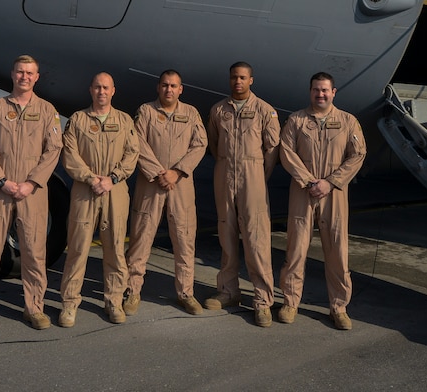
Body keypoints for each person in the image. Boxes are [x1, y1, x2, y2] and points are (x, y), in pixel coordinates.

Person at [0, 55, 63, 334]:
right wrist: (1, 180)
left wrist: (32, 183)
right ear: (12, 75)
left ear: (37, 77)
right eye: (20, 72)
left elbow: (53, 149)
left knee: (34, 253)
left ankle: (35, 308)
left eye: (30, 73)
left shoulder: (47, 111)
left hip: (32, 193)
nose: (24, 77)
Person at [278, 72, 366, 330]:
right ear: (310, 92)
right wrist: (308, 181)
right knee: (296, 249)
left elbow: (358, 154)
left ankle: (339, 307)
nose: (321, 94)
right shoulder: (296, 120)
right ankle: (290, 302)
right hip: (303, 192)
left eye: (325, 90)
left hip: (334, 193)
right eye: (316, 90)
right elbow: (286, 152)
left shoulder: (348, 121)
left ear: (334, 92)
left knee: (337, 251)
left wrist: (330, 182)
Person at [123, 70, 208, 316]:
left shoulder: (190, 113)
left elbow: (200, 144)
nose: (169, 90)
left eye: (173, 86)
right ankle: (132, 290)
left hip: (180, 184)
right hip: (151, 183)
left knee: (184, 239)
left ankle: (185, 293)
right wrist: (159, 172)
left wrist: (177, 172)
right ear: (158, 88)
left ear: (181, 89)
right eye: (164, 85)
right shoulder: (146, 111)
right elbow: (137, 142)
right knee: (141, 236)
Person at [58, 72, 139, 327]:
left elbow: (132, 154)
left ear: (113, 91)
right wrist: (91, 179)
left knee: (115, 248)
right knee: (78, 249)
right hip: (85, 190)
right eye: (97, 87)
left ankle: (114, 301)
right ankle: (70, 304)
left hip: (114, 191)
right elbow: (69, 155)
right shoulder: (78, 120)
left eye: (106, 88)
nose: (101, 92)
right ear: (90, 90)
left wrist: (112, 178)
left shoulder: (124, 120)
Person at [204, 61, 280, 327]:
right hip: (225, 174)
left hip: (253, 177)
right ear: (230, 80)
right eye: (234, 77)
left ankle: (262, 300)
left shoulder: (264, 111)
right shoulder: (218, 111)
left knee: (256, 239)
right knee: (226, 234)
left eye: (243, 77)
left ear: (251, 80)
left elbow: (272, 150)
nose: (238, 81)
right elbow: (214, 145)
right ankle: (228, 291)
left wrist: (258, 175)